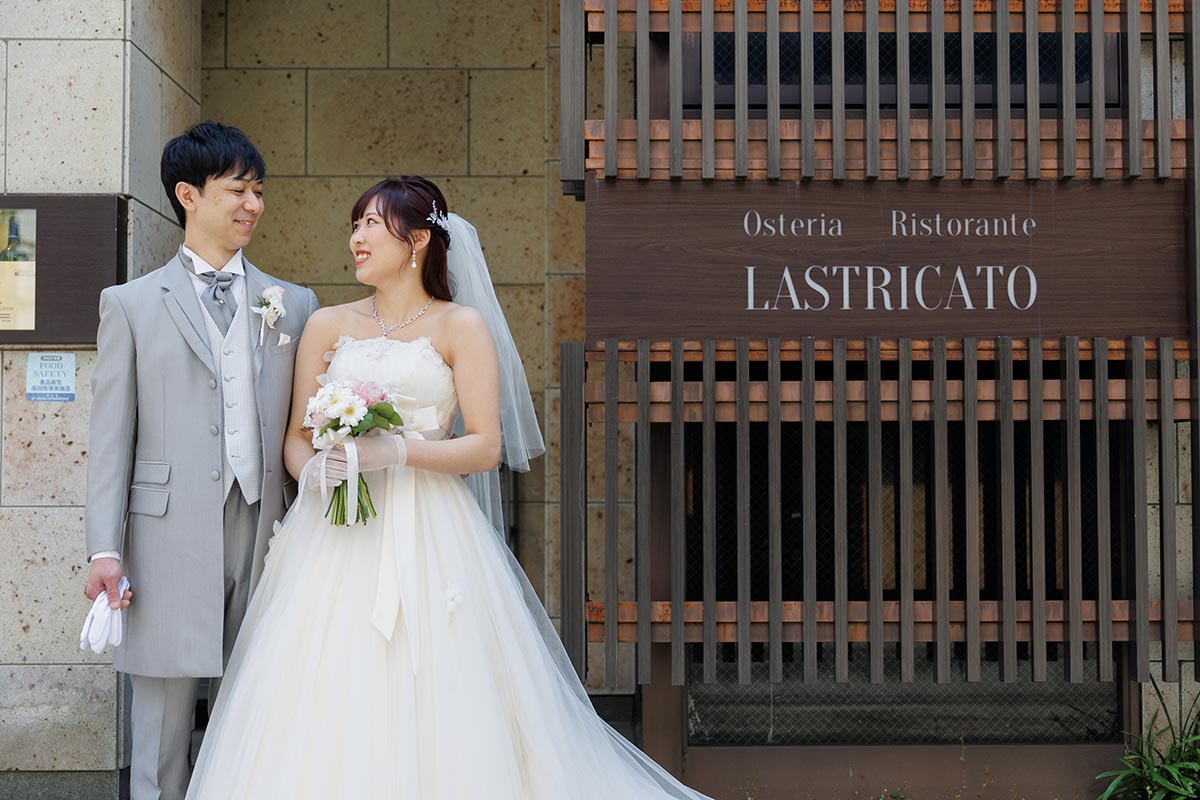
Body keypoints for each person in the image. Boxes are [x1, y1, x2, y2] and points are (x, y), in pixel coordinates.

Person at [185, 176, 712, 799]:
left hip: (432, 525)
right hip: (335, 531)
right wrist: (314, 470)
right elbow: (297, 439)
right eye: (354, 225)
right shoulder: (327, 324)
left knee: (440, 677)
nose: (356, 239)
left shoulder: (460, 325)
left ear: (417, 241)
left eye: (372, 224)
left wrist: (398, 450)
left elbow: (485, 446)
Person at [83, 121, 320, 800]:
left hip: (267, 525)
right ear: (188, 195)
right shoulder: (130, 306)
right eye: (238, 190)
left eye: (259, 190)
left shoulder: (294, 305)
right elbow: (111, 439)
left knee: (258, 710)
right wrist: (104, 549)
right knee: (161, 717)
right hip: (164, 533)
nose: (254, 204)